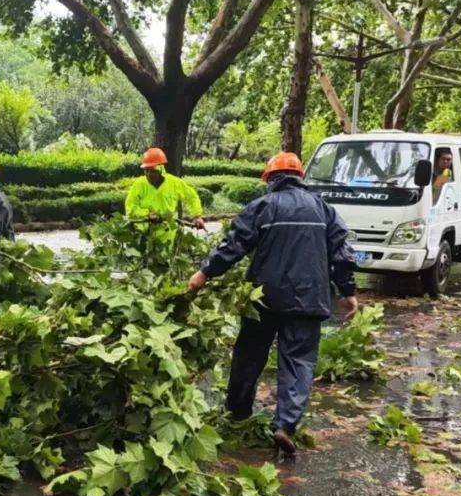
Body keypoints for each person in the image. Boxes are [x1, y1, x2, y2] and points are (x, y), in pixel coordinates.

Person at [186, 151, 358, 457]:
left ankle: (237, 413)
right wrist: (348, 293)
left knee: (249, 355)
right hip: (309, 298)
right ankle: (285, 425)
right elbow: (342, 252)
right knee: (299, 361)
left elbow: (233, 244)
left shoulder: (263, 206)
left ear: (270, 180)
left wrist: (204, 273)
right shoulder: (323, 209)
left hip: (264, 299)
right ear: (300, 178)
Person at [124, 148, 206, 246]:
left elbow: (191, 197)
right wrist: (147, 214)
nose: (149, 174)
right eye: (147, 170)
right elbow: (130, 207)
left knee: (165, 259)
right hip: (144, 235)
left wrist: (196, 216)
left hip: (167, 233)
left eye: (153, 170)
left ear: (161, 169)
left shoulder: (175, 183)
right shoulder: (139, 184)